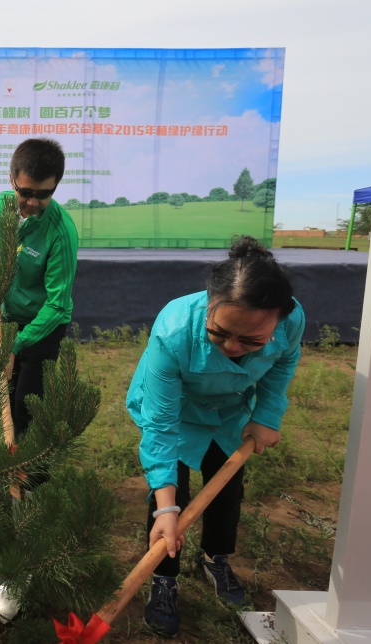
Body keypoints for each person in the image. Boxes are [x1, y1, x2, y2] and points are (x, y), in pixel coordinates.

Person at [125, 236, 305, 637]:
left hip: (228, 415)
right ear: (209, 301)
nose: (232, 347)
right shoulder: (173, 330)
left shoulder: (291, 321)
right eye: (219, 332)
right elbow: (161, 426)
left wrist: (267, 415)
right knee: (168, 499)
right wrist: (167, 510)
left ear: (279, 318)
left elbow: (282, 365)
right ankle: (164, 577)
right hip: (175, 411)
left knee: (227, 489)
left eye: (251, 341)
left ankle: (215, 558)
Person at [0, 137, 78, 486]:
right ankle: (6, 468)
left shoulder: (60, 232)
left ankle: (33, 481)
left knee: (29, 405)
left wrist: (16, 347)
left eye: (43, 194)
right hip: (7, 317)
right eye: (26, 192)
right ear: (11, 179)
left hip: (43, 326)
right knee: (1, 398)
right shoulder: (3, 204)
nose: (32, 202)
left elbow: (57, 303)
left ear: (55, 187)